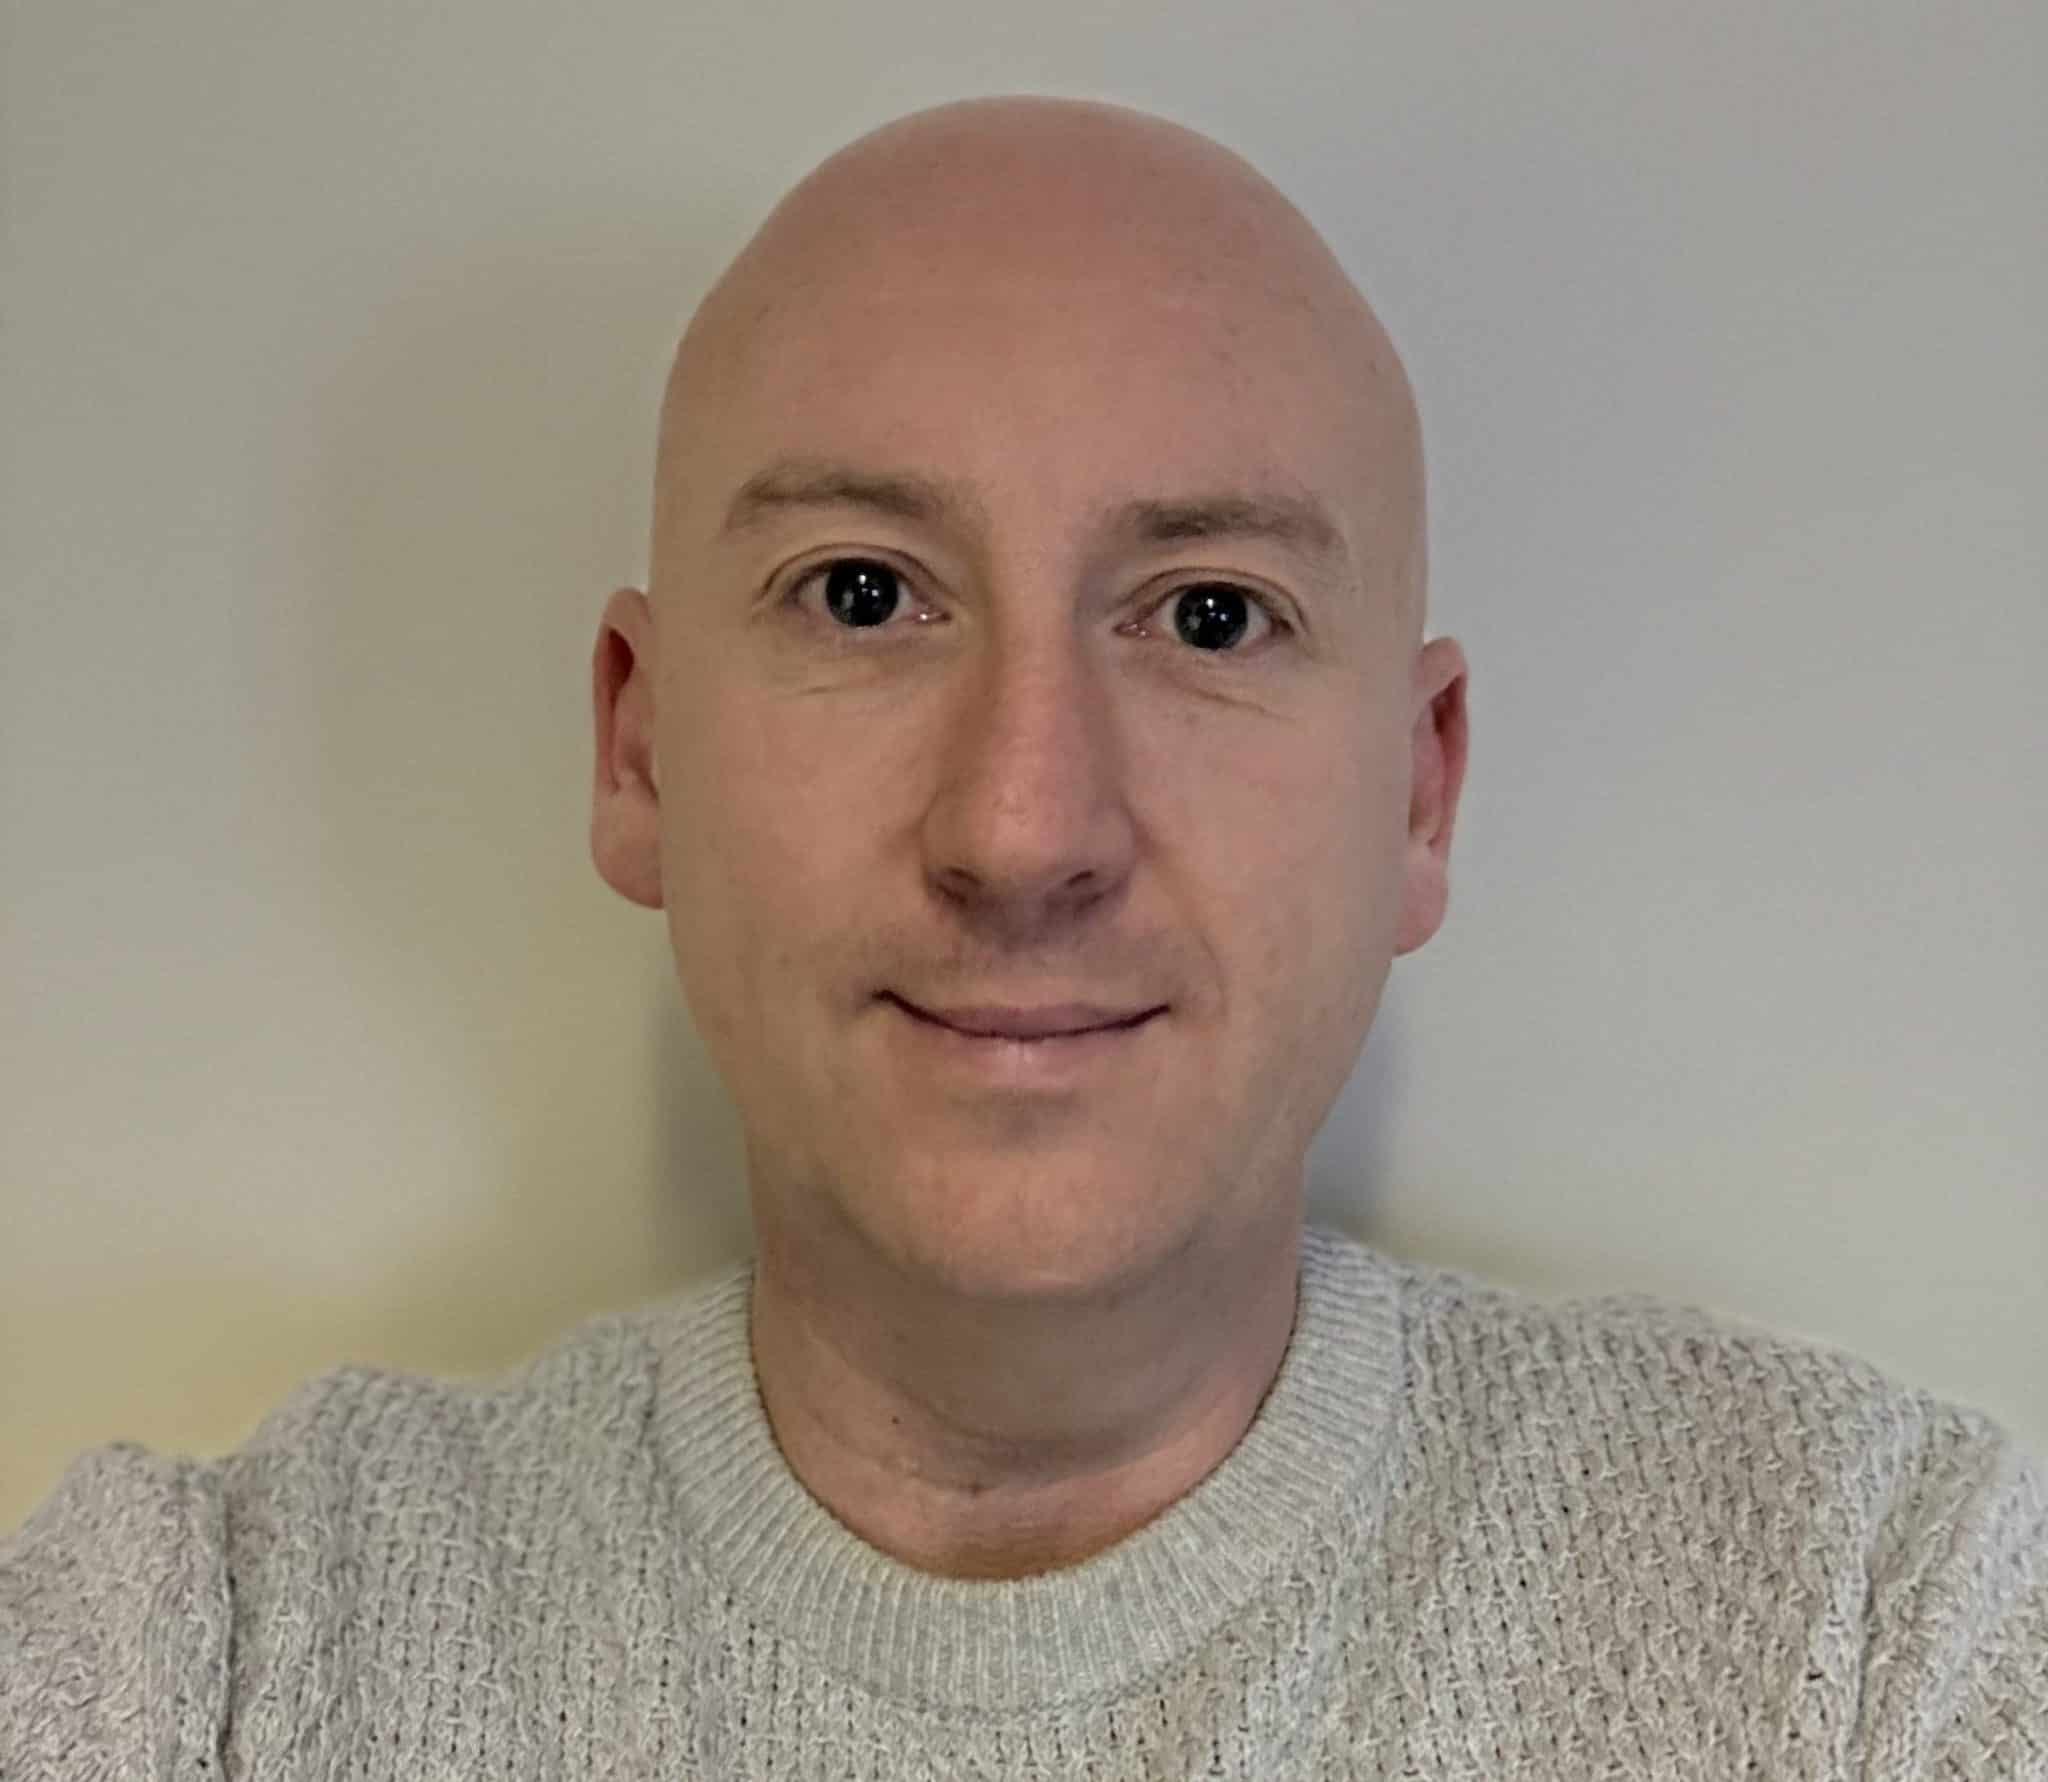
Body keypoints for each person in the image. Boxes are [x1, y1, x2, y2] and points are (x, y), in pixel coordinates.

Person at [3, 94, 2042, 1780]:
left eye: (1211, 614)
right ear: (639, 749)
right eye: (864, 594)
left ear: (1418, 796)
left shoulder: (1878, 1622)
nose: (1021, 829)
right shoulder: (203, 1659)